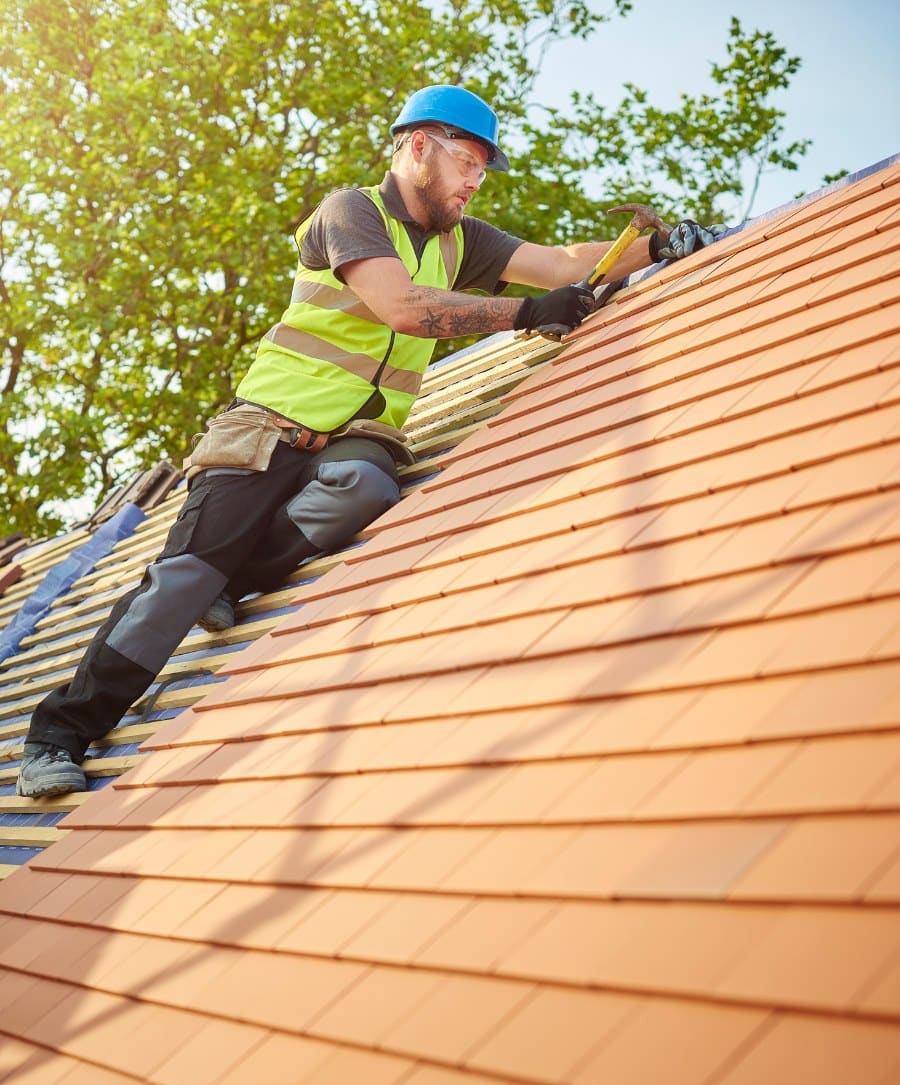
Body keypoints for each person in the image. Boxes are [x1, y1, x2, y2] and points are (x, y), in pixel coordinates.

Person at [17, 85, 724, 798]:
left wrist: (654, 245)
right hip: (268, 426)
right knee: (180, 583)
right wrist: (523, 313)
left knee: (367, 486)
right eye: (467, 162)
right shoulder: (351, 211)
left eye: (482, 169)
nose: (476, 182)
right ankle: (59, 734)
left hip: (358, 437)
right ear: (418, 146)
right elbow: (402, 307)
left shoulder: (463, 242)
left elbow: (561, 263)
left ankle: (236, 577)